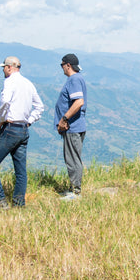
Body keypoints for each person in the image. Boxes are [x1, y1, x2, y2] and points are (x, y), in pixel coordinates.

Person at [0, 56, 44, 208]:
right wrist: (29, 120)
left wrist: (3, 119)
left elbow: (5, 101)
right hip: (23, 129)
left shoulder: (9, 82)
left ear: (10, 67)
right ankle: (18, 203)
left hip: (10, 128)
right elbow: (40, 107)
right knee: (20, 170)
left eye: (4, 67)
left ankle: (0, 201)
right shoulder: (28, 83)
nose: (3, 70)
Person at [54, 53, 87, 200]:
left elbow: (79, 102)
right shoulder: (76, 79)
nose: (61, 68)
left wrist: (64, 118)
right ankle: (73, 188)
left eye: (62, 65)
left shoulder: (74, 79)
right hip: (74, 126)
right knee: (72, 157)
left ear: (68, 65)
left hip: (72, 127)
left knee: (72, 159)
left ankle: (76, 192)